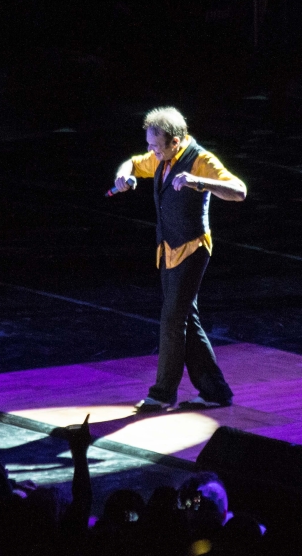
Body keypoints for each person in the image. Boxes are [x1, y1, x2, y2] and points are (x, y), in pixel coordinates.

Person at [111, 107, 247, 411]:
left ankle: (162, 393)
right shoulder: (160, 157)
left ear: (175, 141)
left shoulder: (201, 160)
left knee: (172, 319)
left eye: (156, 146)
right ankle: (214, 391)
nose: (152, 151)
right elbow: (132, 163)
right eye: (149, 145)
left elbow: (239, 191)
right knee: (186, 318)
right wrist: (123, 176)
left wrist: (198, 181)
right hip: (167, 248)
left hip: (192, 248)